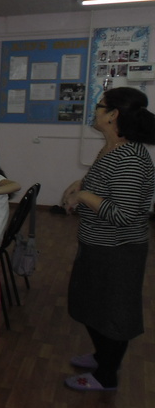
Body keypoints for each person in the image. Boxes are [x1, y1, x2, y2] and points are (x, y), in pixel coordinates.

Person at [61, 87, 155, 391]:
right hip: (98, 245)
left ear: (113, 115)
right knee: (92, 305)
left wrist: (83, 196)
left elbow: (123, 214)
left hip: (117, 251)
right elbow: (106, 183)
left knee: (113, 314)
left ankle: (106, 376)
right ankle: (103, 357)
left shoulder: (131, 158)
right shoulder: (112, 148)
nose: (95, 111)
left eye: (100, 106)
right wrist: (82, 183)